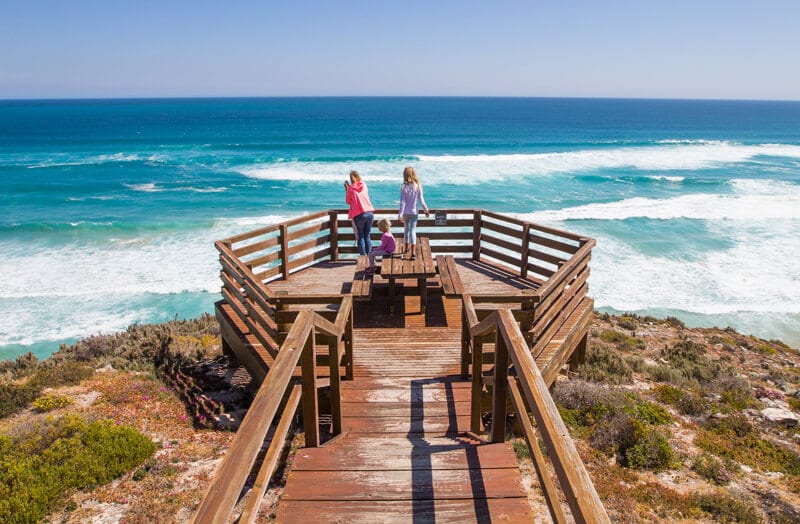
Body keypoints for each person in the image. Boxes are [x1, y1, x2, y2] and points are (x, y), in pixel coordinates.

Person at [398, 166, 429, 260]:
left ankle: (406, 249)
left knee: (406, 230)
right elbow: (421, 200)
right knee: (412, 231)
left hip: (405, 213)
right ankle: (413, 253)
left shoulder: (404, 187)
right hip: (414, 212)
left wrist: (400, 214)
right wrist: (426, 210)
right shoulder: (417, 186)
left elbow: (402, 202)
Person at [344, 170, 375, 255]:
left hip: (359, 215)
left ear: (351, 178)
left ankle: (363, 257)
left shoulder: (350, 189)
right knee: (367, 236)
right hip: (369, 213)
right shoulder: (364, 185)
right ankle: (370, 257)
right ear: (359, 176)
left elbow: (348, 201)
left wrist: (347, 189)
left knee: (360, 236)